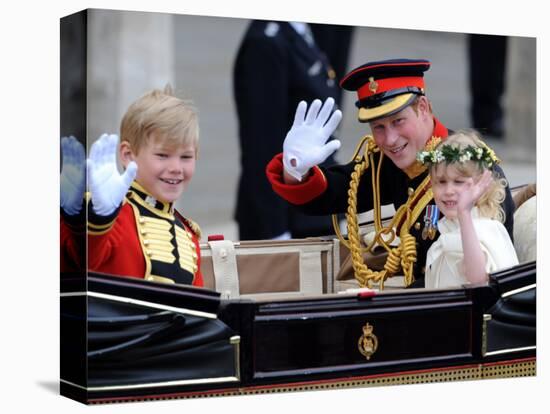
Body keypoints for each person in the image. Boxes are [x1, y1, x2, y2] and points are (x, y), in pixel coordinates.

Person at [266, 58, 515, 288]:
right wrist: (295, 168)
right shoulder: (391, 162)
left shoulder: (473, 169)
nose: (390, 139)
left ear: (424, 107)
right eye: (379, 127)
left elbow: (484, 277)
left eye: (398, 121)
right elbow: (336, 192)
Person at [60, 86, 203, 286]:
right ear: (128, 155)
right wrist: (94, 217)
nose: (176, 168)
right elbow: (81, 263)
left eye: (186, 157)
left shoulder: (188, 235)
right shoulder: (108, 215)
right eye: (162, 155)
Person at [233, 20, 349, 240]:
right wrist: (274, 233)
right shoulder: (265, 42)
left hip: (315, 210)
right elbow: (260, 144)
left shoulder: (302, 30)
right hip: (287, 221)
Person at [416, 130, 518, 289]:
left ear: (481, 185)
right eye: (441, 182)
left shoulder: (486, 229)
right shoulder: (448, 227)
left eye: (458, 182)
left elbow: (478, 280)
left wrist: (464, 214)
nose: (449, 190)